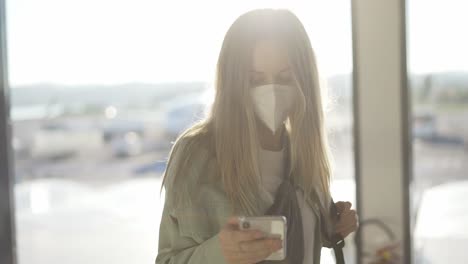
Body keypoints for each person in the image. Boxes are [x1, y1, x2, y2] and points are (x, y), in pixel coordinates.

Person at [155, 8, 358, 264]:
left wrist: (333, 227)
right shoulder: (198, 152)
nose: (271, 91)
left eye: (285, 78)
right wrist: (220, 253)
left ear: (304, 82)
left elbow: (301, 234)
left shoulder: (303, 152)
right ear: (234, 84)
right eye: (254, 80)